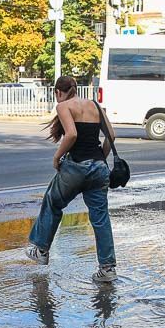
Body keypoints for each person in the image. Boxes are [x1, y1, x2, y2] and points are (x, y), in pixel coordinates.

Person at [24, 75, 118, 283]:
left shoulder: (64, 106)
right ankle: (107, 268)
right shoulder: (95, 105)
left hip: (76, 167)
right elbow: (112, 134)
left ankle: (41, 250)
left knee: (52, 201)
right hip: (99, 168)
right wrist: (101, 157)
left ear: (58, 92)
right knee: (100, 218)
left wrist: (57, 157)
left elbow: (72, 134)